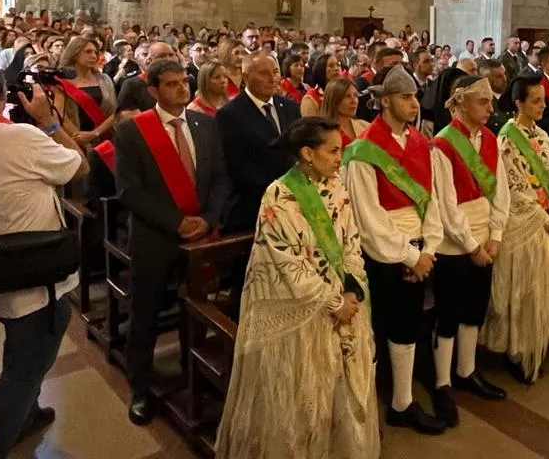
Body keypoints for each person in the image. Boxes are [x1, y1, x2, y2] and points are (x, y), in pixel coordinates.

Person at [215, 118, 378, 458]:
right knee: (300, 398)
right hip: (301, 314)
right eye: (333, 151)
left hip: (343, 303)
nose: (340, 159)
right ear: (307, 152)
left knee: (342, 394)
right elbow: (286, 263)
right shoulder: (279, 196)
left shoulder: (338, 187)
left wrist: (351, 292)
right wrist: (332, 301)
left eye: (342, 151)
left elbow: (351, 244)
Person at [0, 63, 88, 458]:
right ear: (3, 95)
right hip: (35, 277)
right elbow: (79, 164)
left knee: (22, 347)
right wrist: (49, 121)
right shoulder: (23, 138)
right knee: (24, 367)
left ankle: (29, 414)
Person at [114, 59, 233, 425]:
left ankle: (192, 369)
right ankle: (140, 385)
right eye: (172, 84)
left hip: (200, 235)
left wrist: (208, 220)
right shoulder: (134, 131)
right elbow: (130, 191)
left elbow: (219, 178)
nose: (183, 89)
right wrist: (177, 223)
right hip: (155, 236)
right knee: (145, 312)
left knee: (197, 307)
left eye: (185, 82)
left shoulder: (205, 124)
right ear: (153, 91)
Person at [342, 65, 446, 435]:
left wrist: (428, 248)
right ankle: (364, 412)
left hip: (418, 248)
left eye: (415, 96)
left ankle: (401, 403)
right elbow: (368, 218)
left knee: (407, 327)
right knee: (374, 329)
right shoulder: (362, 150)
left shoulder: (420, 142)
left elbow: (430, 201)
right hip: (382, 255)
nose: (414, 103)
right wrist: (409, 255)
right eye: (405, 96)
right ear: (384, 101)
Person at [429, 76, 511, 424]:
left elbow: (501, 190)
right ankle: (442, 381)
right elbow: (445, 206)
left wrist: (495, 234)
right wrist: (472, 245)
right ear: (461, 102)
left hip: (485, 240)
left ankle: (467, 370)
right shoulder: (442, 145)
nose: (490, 108)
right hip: (455, 243)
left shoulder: (490, 139)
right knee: (449, 311)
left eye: (490, 102)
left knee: (475, 308)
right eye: (483, 101)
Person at [483, 73, 549, 384]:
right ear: (518, 103)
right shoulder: (506, 139)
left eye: (543, 100)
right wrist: (541, 215)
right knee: (523, 289)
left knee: (548, 285)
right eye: (535, 101)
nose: (541, 106)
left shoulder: (544, 136)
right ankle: (517, 350)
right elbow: (514, 187)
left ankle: (540, 338)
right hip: (526, 226)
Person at [217, 53, 301, 235]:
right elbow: (237, 165)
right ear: (246, 76)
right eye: (264, 73)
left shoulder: (289, 107)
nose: (272, 79)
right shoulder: (230, 114)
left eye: (276, 72)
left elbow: (297, 149)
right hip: (253, 206)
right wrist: (277, 192)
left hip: (294, 201)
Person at [54, 37, 117, 147]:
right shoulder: (62, 82)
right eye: (88, 52)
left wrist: (95, 133)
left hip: (105, 140)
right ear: (75, 53)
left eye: (95, 52)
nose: (93, 56)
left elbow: (114, 112)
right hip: (76, 142)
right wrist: (80, 138)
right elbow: (60, 116)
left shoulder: (104, 79)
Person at [116, 42, 178, 112]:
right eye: (161, 56)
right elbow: (123, 116)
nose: (168, 59)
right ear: (149, 60)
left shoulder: (181, 80)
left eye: (171, 55)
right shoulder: (132, 84)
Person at [321, 76, 369, 149]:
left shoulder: (365, 126)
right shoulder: (323, 133)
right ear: (334, 100)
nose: (354, 101)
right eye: (347, 96)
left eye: (355, 95)